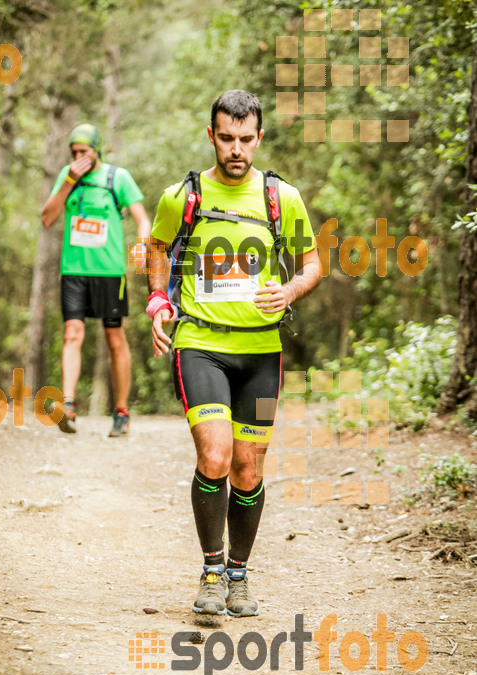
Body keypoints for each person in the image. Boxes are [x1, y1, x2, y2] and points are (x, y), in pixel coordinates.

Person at [146, 90, 321, 616]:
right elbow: (156, 248)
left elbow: (313, 264)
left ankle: (240, 576)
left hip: (261, 351)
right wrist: (159, 300)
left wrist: (289, 291)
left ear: (259, 138)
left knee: (248, 469)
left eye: (246, 139)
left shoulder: (280, 199)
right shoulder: (184, 196)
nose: (236, 149)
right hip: (201, 344)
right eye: (227, 138)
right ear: (211, 136)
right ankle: (211, 570)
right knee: (215, 456)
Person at [41, 123, 151, 436]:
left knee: (115, 340)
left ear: (96, 150)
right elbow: (47, 218)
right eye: (73, 152)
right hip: (73, 271)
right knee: (72, 332)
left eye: (83, 151)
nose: (78, 157)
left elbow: (143, 220)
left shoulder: (118, 178)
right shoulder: (68, 177)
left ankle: (121, 411)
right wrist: (69, 182)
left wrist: (139, 252)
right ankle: (69, 405)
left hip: (109, 272)